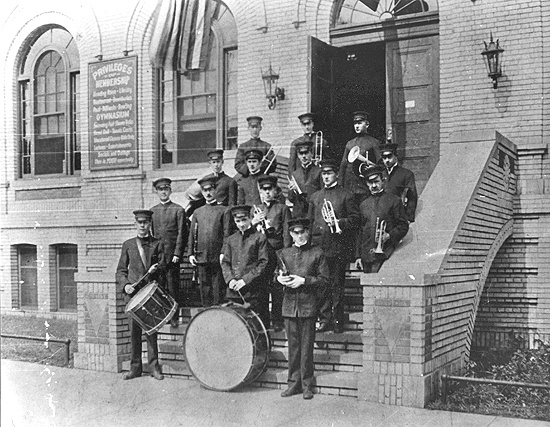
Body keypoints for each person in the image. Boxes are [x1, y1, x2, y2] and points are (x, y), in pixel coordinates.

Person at [277, 218, 329, 400]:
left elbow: (325, 281)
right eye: (296, 232)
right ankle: (293, 384)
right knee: (293, 348)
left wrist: (304, 280)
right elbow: (278, 275)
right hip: (290, 307)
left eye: (303, 232)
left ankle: (307, 385)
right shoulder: (284, 253)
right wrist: (279, 279)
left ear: (308, 232)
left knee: (306, 348)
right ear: (291, 234)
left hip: (308, 307)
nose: (299, 236)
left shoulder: (317, 253)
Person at [308, 159, 360, 333]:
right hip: (319, 248)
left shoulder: (346, 195)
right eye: (324, 173)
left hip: (338, 247)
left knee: (337, 286)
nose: (326, 177)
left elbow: (355, 219)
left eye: (329, 173)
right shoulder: (315, 197)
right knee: (321, 286)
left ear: (336, 174)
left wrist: (340, 222)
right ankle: (324, 320)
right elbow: (310, 223)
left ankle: (338, 321)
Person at [115, 209, 166, 381]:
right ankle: (134, 368)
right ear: (135, 224)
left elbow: (164, 267)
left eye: (145, 223)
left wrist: (156, 269)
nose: (142, 226)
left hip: (149, 294)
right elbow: (120, 271)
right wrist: (126, 285)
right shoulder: (128, 245)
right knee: (133, 333)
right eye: (139, 223)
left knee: (151, 331)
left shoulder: (157, 244)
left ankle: (154, 367)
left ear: (150, 224)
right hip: (133, 296)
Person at [252, 175, 292, 331]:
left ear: (275, 191)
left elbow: (287, 233)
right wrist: (255, 221)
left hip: (277, 250)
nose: (267, 193)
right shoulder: (256, 209)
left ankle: (277, 321)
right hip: (260, 253)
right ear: (260, 192)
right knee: (261, 287)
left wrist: (285, 254)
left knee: (276, 287)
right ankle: (264, 321)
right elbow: (250, 234)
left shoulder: (282, 208)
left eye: (270, 189)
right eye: (264, 190)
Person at [221, 205, 270, 328]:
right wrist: (230, 279)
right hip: (234, 292)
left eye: (244, 220)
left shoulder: (259, 237)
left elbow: (263, 262)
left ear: (250, 218)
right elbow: (225, 262)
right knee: (236, 326)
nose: (241, 224)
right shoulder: (231, 239)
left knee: (256, 327)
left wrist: (245, 280)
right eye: (238, 221)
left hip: (253, 292)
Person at [355, 165, 409, 274]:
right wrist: (358, 256)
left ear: (382, 181)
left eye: (376, 181)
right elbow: (360, 232)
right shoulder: (363, 205)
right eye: (370, 183)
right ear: (366, 183)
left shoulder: (394, 200)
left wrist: (389, 235)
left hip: (385, 253)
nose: (374, 185)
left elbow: (403, 226)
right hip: (366, 255)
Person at [150, 177, 189, 327]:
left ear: (170, 191)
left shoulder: (178, 210)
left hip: (172, 257)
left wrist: (177, 254)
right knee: (159, 287)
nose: (164, 192)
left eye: (166, 189)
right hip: (159, 257)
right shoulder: (153, 211)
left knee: (173, 287)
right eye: (161, 190)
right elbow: (152, 236)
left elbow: (181, 234)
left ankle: (174, 318)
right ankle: (162, 316)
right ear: (157, 192)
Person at [188, 176, 231, 307]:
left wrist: (223, 252)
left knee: (218, 290)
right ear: (201, 192)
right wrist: (190, 253)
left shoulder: (224, 210)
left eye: (210, 189)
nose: (208, 193)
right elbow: (192, 234)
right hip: (201, 257)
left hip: (217, 257)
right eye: (205, 190)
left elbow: (227, 234)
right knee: (204, 290)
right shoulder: (197, 212)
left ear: (215, 190)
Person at [338, 111, 382, 207]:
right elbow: (343, 166)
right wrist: (340, 185)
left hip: (364, 186)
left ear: (367, 124)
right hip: (349, 186)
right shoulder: (349, 144)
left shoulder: (373, 142)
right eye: (355, 123)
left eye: (360, 123)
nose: (357, 126)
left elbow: (380, 163)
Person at [379, 143, 418, 222]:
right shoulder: (380, 174)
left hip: (398, 216)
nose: (387, 160)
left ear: (395, 156)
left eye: (389, 156)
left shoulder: (406, 174)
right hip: (382, 215)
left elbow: (412, 198)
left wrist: (408, 218)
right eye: (384, 157)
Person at [287, 139, 322, 218]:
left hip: (313, 213)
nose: (303, 156)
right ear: (298, 156)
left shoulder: (319, 171)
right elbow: (291, 199)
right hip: (298, 214)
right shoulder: (295, 174)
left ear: (311, 154)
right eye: (301, 153)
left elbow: (322, 195)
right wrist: (291, 190)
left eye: (306, 153)